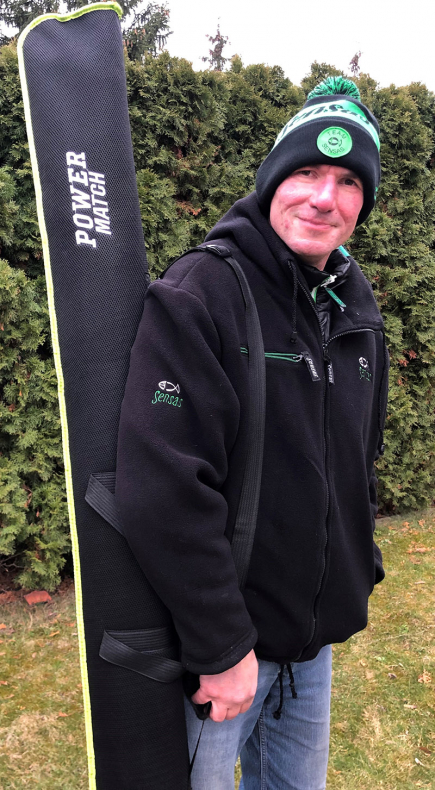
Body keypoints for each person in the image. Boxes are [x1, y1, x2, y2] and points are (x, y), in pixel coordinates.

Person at [116, 76, 388, 790]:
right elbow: (162, 486)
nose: (324, 197)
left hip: (311, 652)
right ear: (272, 179)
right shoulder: (204, 291)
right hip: (222, 660)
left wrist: (357, 570)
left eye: (348, 182)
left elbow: (357, 458)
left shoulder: (355, 310)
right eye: (306, 172)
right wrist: (221, 646)